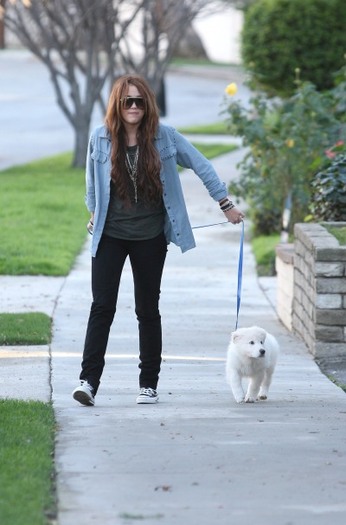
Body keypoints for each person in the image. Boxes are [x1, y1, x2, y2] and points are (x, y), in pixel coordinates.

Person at [72, 74, 245, 407]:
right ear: (117, 105)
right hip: (110, 235)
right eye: (127, 101)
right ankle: (88, 381)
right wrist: (93, 211)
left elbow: (202, 165)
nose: (134, 107)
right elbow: (91, 183)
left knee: (147, 309)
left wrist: (225, 204)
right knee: (101, 307)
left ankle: (148, 383)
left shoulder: (165, 138)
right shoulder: (101, 138)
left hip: (149, 237)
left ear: (147, 104)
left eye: (139, 101)